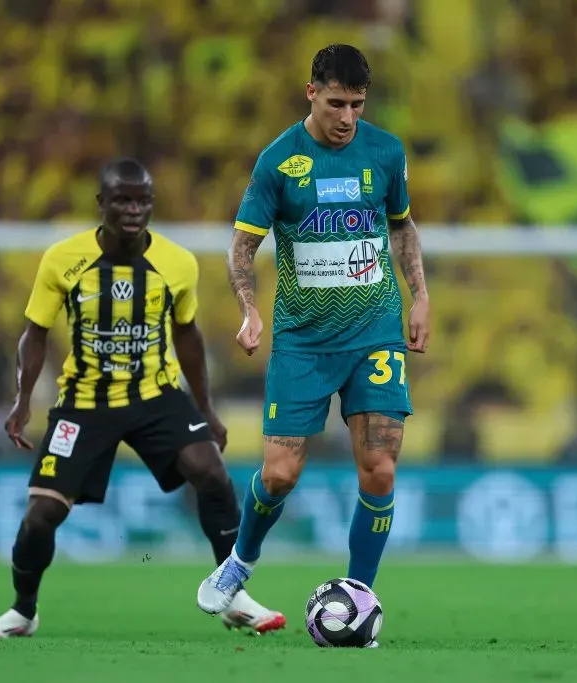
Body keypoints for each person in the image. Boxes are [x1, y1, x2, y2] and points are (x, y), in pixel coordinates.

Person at [0, 158, 284, 638]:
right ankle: (23, 610)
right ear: (102, 204)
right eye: (122, 200)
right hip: (84, 401)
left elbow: (188, 337)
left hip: (155, 394)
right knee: (42, 515)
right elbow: (34, 334)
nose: (133, 210)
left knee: (211, 472)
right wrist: (22, 399)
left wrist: (204, 408)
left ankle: (230, 592)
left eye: (142, 201)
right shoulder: (63, 260)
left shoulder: (176, 263)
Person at [196, 45, 431, 646]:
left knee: (379, 468)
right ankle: (240, 563)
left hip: (375, 331)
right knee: (279, 474)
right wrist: (250, 310)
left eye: (356, 105)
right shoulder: (279, 162)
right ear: (311, 93)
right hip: (302, 341)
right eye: (336, 103)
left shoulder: (386, 152)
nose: (347, 116)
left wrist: (420, 296)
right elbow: (242, 246)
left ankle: (358, 600)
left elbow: (401, 226)